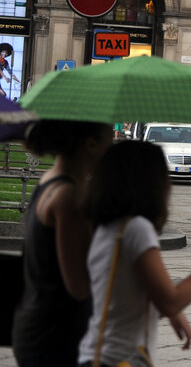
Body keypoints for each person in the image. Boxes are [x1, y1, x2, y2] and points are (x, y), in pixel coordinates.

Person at [77, 141, 191, 366]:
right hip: (120, 357)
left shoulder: (105, 227)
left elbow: (129, 290)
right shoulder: (136, 229)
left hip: (97, 353)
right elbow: (170, 301)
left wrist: (169, 312)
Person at [13, 120, 113, 367]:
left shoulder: (51, 180)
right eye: (109, 140)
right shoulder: (68, 197)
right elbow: (79, 286)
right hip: (55, 338)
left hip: (40, 328)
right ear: (90, 145)